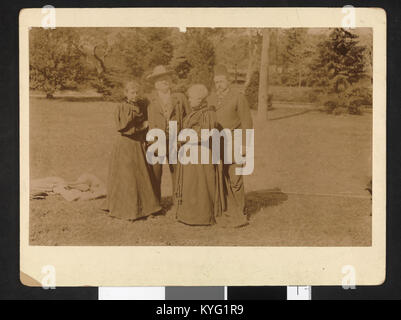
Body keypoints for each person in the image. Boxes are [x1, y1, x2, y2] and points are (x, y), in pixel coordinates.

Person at [105, 80, 161, 221]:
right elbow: (125, 129)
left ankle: (144, 207)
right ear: (126, 93)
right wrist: (143, 126)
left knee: (141, 175)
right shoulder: (123, 107)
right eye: (132, 92)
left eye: (137, 92)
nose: (135, 95)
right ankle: (127, 208)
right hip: (127, 145)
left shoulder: (139, 105)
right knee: (128, 176)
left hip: (138, 144)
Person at [207, 64, 253, 228]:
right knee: (221, 178)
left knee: (235, 180)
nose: (218, 84)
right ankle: (225, 209)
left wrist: (245, 148)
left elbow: (247, 124)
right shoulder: (211, 98)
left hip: (234, 143)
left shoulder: (238, 97)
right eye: (216, 81)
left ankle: (241, 212)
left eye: (221, 81)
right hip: (216, 145)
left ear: (228, 81)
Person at [175, 84, 222, 226]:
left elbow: (205, 134)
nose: (188, 100)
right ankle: (188, 214)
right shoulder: (194, 112)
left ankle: (201, 216)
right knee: (191, 184)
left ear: (200, 99)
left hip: (201, 153)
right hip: (191, 153)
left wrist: (186, 137)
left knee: (200, 184)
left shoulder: (208, 113)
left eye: (191, 98)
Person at [146, 65, 190, 204]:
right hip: (156, 139)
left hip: (175, 139)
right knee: (155, 172)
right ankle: (154, 203)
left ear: (170, 80)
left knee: (177, 170)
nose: (163, 82)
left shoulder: (179, 98)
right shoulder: (148, 100)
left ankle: (179, 200)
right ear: (155, 84)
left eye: (165, 79)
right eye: (159, 80)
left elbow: (189, 117)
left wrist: (185, 136)